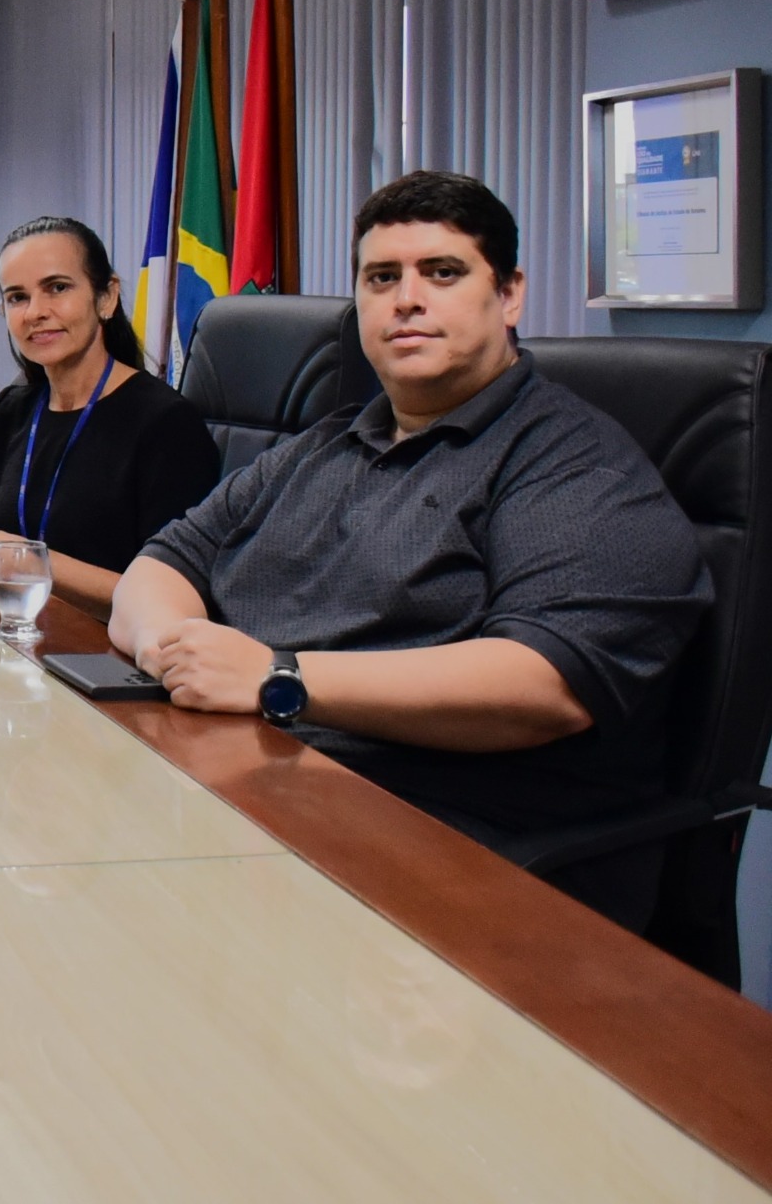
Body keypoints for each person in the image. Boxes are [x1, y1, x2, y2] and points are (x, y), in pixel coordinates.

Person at [109, 171, 710, 925]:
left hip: (437, 851)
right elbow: (165, 560)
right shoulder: (330, 441)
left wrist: (277, 676)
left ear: (511, 294)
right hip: (255, 795)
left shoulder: (571, 464)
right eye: (381, 277)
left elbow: (544, 683)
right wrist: (177, 650)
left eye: (443, 272)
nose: (406, 298)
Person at [0, 216, 220, 610]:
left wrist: (12, 555)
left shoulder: (166, 424)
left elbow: (172, 597)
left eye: (57, 288)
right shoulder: (14, 410)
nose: (35, 312)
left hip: (108, 658)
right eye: (17, 297)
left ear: (107, 297)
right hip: (11, 636)